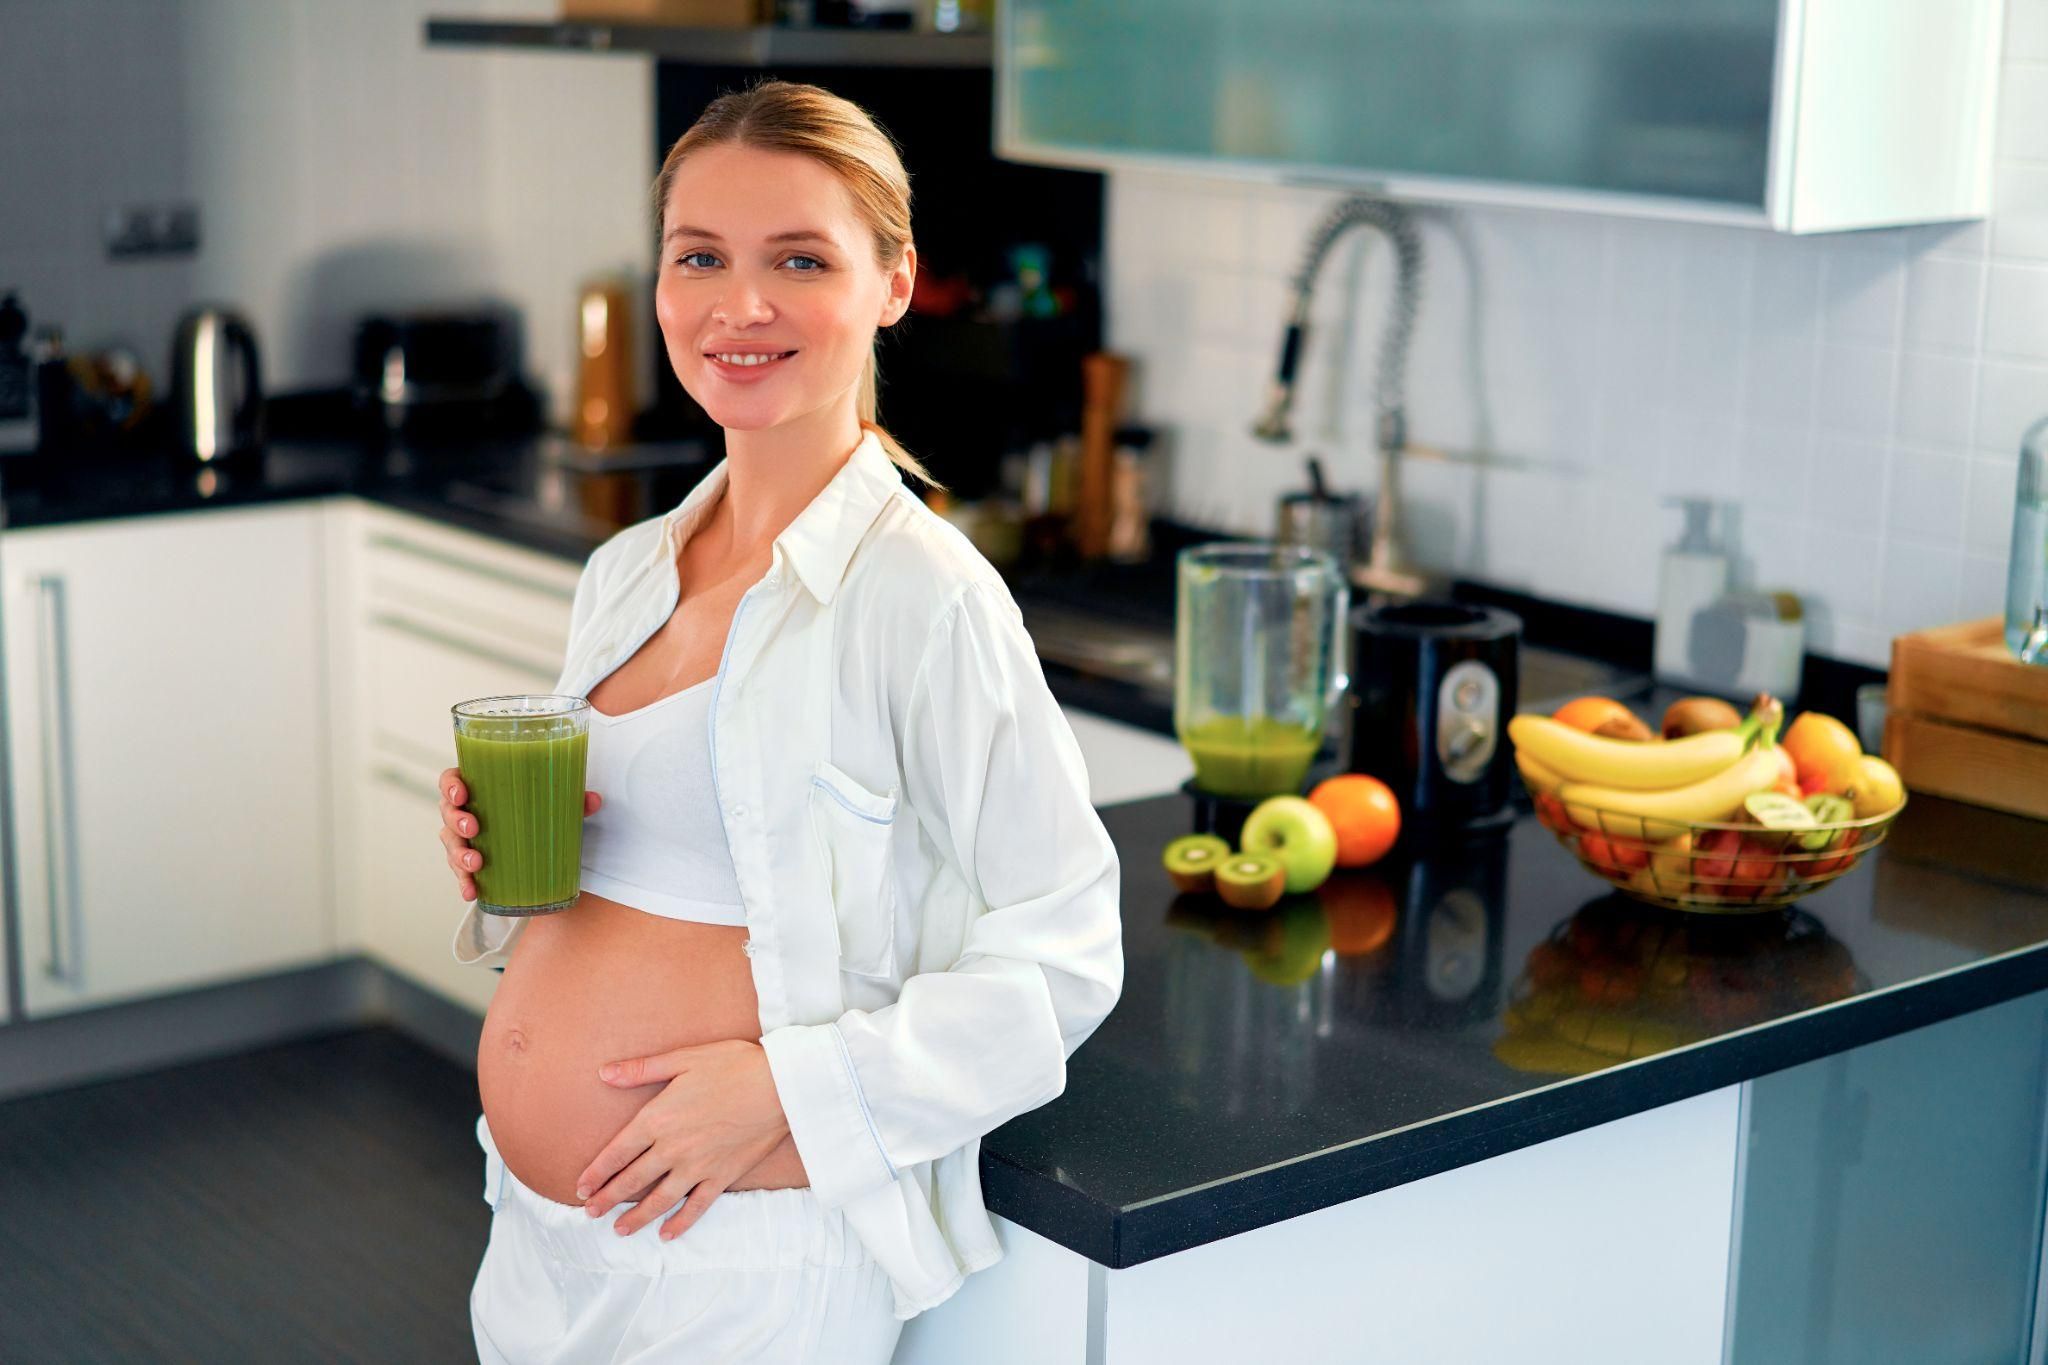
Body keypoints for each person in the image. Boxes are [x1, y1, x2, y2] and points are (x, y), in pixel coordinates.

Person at [436, 78, 1124, 1363]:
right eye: (699, 256)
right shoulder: (629, 571)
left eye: (797, 260)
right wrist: (506, 864)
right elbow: (674, 876)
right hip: (534, 1238)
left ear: (892, 283)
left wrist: (782, 1091)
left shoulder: (921, 596)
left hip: (739, 1265)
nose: (737, 307)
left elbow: (1065, 956)